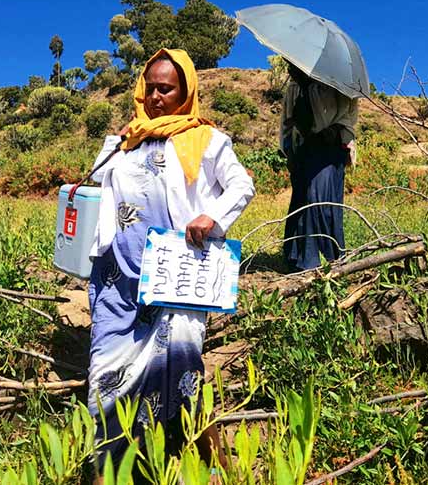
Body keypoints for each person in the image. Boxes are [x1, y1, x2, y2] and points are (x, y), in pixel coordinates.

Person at [86, 48, 255, 479]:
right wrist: (122, 143)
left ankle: (175, 463)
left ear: (185, 92)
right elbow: (94, 189)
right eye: (152, 88)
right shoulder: (121, 143)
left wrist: (212, 217)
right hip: (116, 280)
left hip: (173, 278)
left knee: (177, 366)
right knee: (108, 371)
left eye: (168, 88)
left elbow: (241, 185)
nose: (157, 96)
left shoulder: (207, 140)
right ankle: (113, 469)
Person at [280, 62, 358, 271]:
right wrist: (288, 148)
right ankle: (297, 257)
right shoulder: (295, 88)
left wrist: (334, 130)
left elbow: (348, 115)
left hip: (330, 150)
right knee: (302, 199)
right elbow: (287, 121)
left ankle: (326, 257)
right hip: (303, 149)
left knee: (321, 200)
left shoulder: (338, 85)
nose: (289, 70)